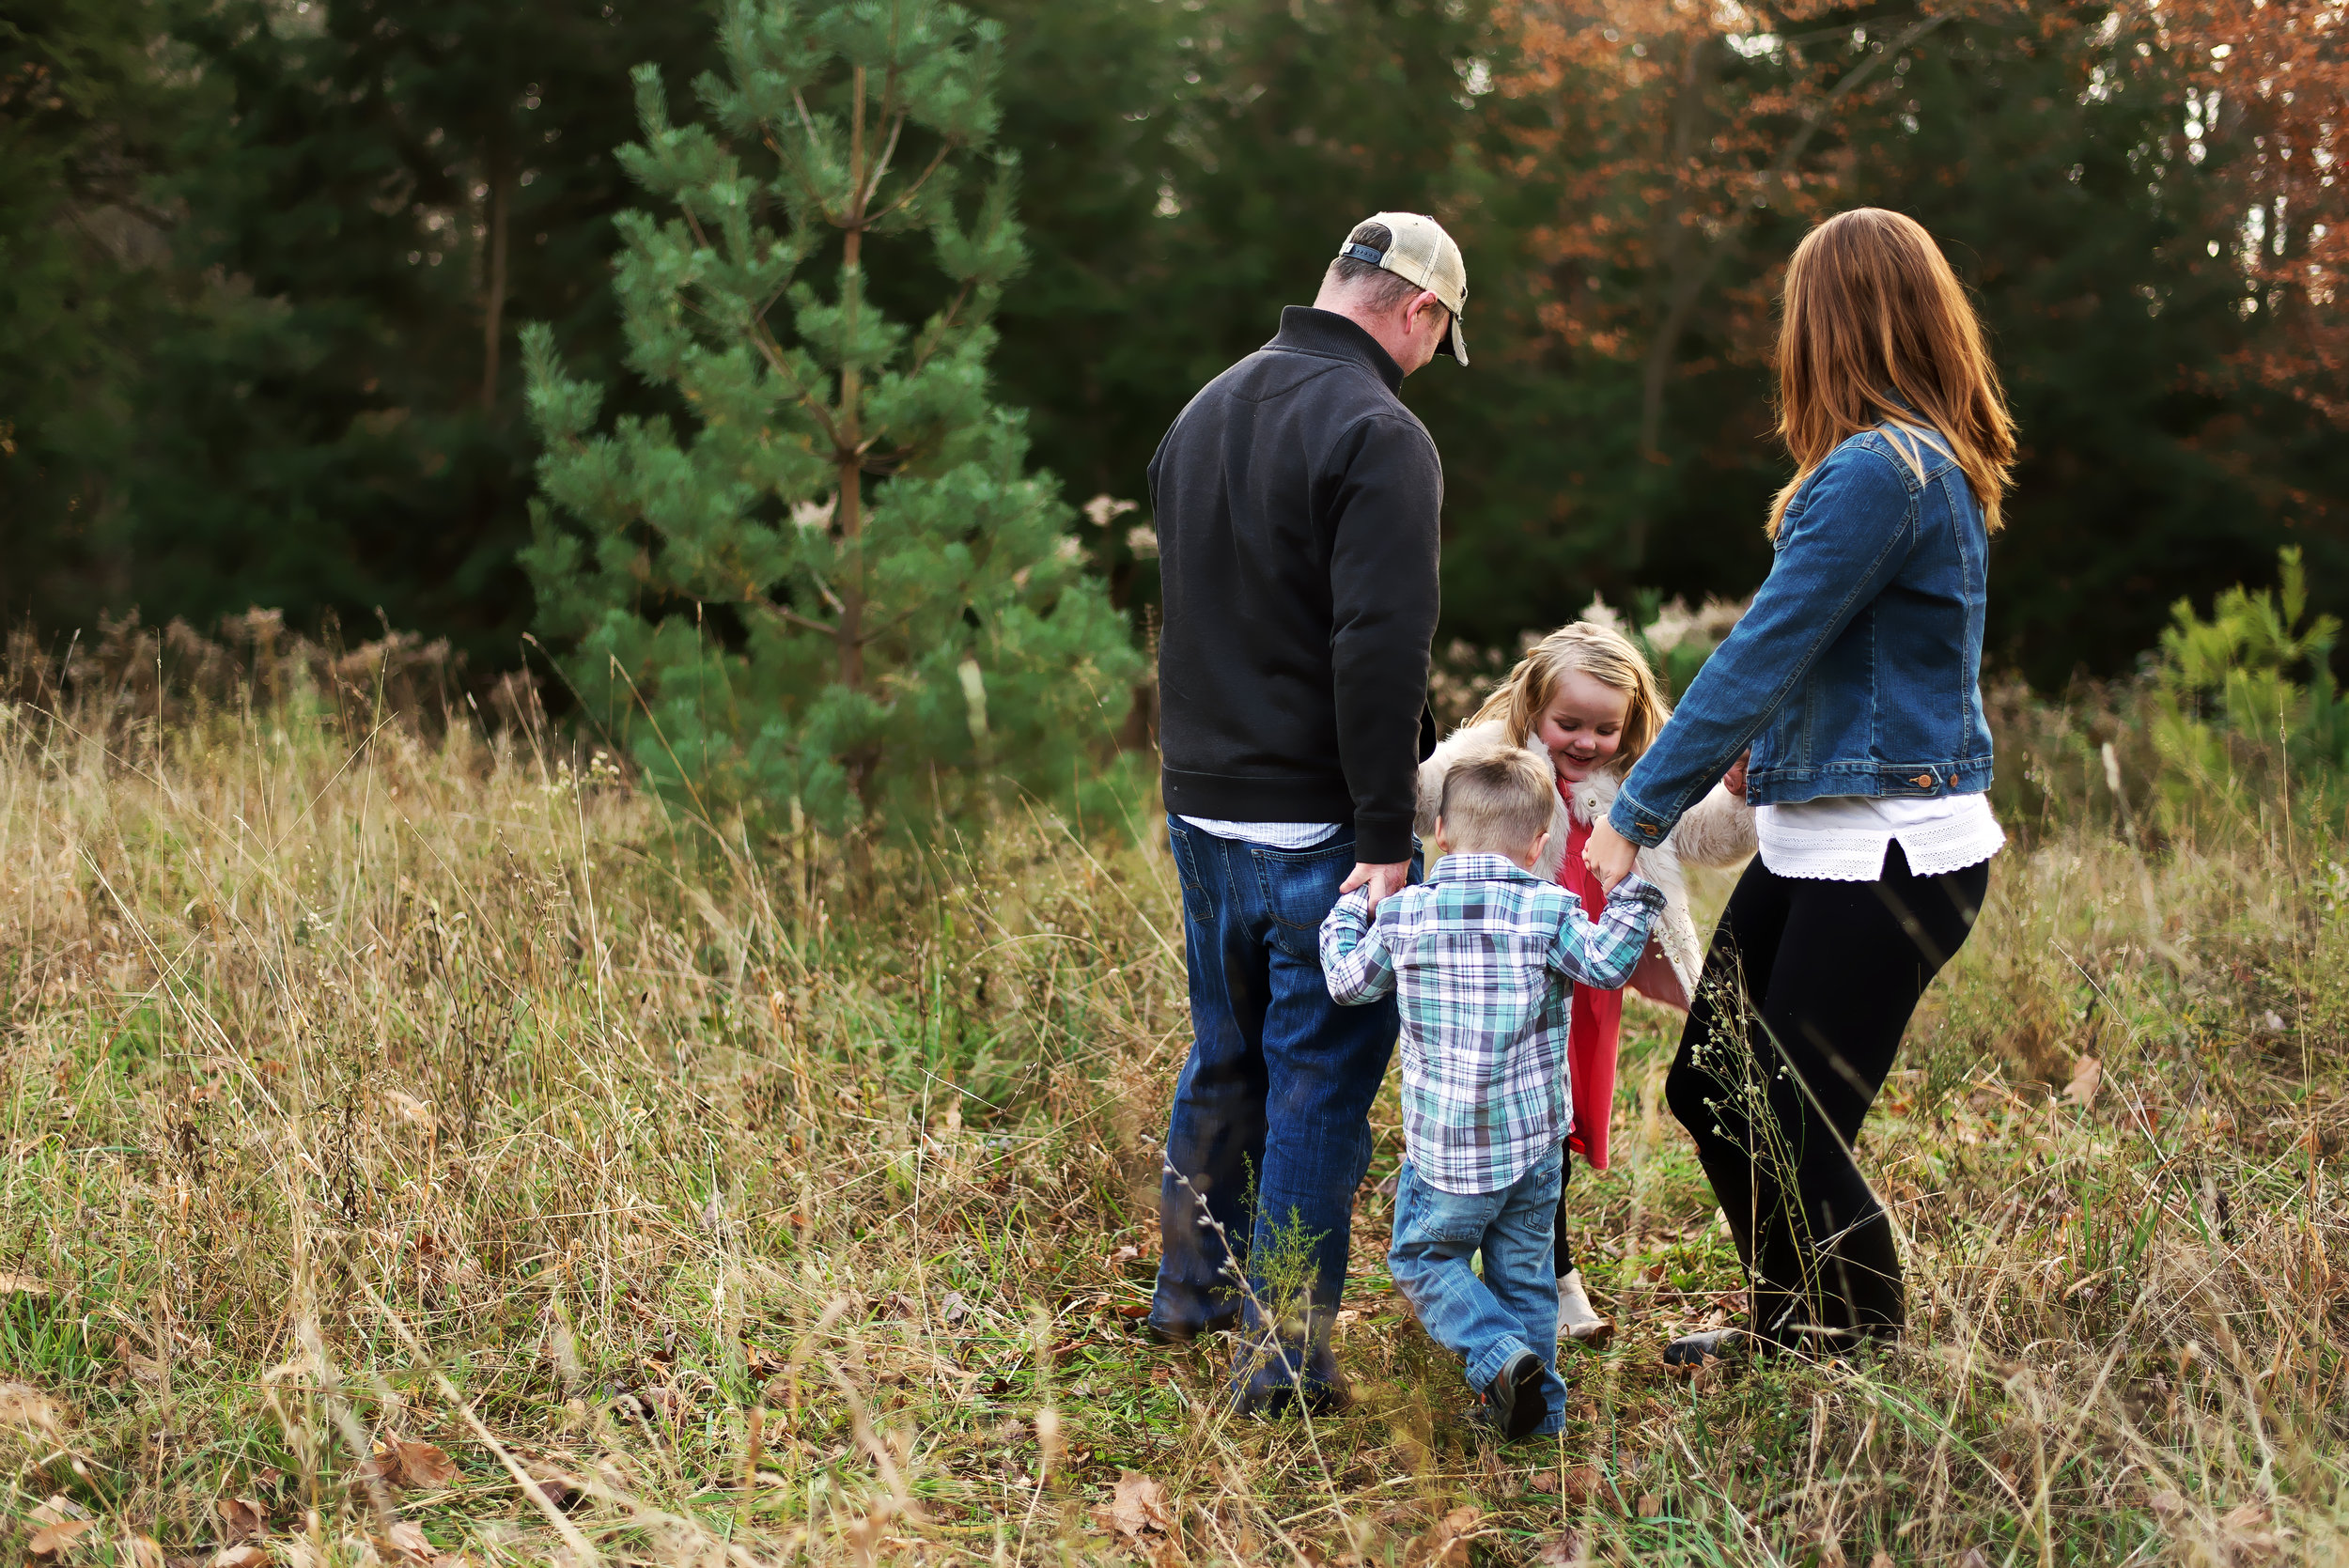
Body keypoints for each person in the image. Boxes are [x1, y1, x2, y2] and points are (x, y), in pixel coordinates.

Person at [1582, 208, 2015, 1363]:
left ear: (1829, 325)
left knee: (1790, 1121)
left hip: (1888, 850)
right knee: (1718, 1093)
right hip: (1824, 835)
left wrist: (1637, 811)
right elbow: (1843, 656)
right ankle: (1793, 1328)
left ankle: (1857, 1353)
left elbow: (1761, 649)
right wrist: (1766, 756)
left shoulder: (1883, 469)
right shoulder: (1905, 460)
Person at [1146, 212, 1470, 1413]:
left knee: (1225, 1052)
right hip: (1318, 827)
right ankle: (1281, 1360)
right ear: (1418, 313)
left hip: (1200, 804)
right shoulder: (1382, 432)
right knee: (1320, 1082)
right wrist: (1387, 832)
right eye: (1440, 337)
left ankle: (1190, 1289)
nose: (1430, 358)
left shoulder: (1205, 407)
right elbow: (1380, 648)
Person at [1416, 621, 1755, 1344]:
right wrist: (1393, 739)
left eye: (1606, 727)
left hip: (1590, 984)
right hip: (1510, 985)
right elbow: (1424, 797)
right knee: (1527, 1125)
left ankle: (1530, 1266)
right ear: (1533, 707)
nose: (1585, 741)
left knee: (1559, 1128)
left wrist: (1743, 797)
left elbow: (1714, 839)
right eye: (1568, 723)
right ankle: (1550, 1277)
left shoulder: (1641, 779)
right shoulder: (1493, 761)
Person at [1321, 740, 1665, 1437]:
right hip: (1536, 1149)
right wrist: (1631, 889)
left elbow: (1347, 983)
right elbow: (1606, 964)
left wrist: (1346, 915)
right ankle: (1541, 1423)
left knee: (1422, 1258)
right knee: (1525, 1276)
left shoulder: (1406, 913)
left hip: (1448, 1155)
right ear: (1541, 841)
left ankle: (1498, 1355)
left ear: (1440, 830)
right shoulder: (1552, 909)